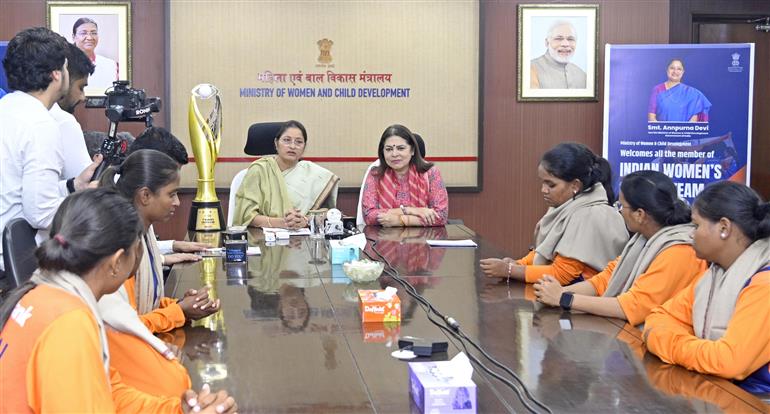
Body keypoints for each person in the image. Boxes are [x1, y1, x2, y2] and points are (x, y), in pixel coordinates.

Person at [0, 189, 236, 413]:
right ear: (116, 262)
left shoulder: (43, 295)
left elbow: (108, 392)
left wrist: (176, 410)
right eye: (137, 250)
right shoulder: (70, 324)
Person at [532, 171, 707, 325]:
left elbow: (632, 306)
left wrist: (564, 298)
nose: (620, 211)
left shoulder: (680, 251)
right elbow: (606, 279)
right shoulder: (642, 239)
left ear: (640, 214)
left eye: (622, 206)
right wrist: (557, 293)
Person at [644, 181, 770, 393]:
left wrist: (665, 342)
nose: (691, 234)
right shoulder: (715, 274)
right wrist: (678, 341)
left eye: (696, 225)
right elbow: (660, 316)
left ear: (724, 228)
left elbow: (728, 362)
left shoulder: (763, 283)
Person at [0, 27, 101, 271]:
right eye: (66, 67)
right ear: (57, 74)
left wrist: (72, 186)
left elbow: (18, 189)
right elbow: (41, 213)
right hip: (21, 262)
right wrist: (88, 207)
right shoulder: (41, 124)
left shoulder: (7, 109)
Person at [99, 149, 220, 335]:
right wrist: (178, 312)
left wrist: (179, 306)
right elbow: (127, 326)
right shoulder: (121, 246)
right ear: (145, 196)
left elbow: (148, 304)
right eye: (171, 195)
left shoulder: (145, 234)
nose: (178, 202)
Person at [480, 142, 628, 284]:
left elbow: (562, 275)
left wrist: (510, 271)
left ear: (575, 185)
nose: (543, 190)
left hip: (584, 301)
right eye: (542, 182)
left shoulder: (588, 215)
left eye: (551, 184)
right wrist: (518, 264)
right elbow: (545, 252)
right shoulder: (567, 204)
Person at [233, 120, 340, 229]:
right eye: (286, 140)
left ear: (304, 147)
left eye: (298, 142)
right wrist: (283, 223)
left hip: (302, 238)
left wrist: (306, 221)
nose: (292, 146)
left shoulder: (315, 174)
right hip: (261, 237)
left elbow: (329, 213)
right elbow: (245, 215)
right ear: (276, 143)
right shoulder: (259, 170)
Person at [126, 126, 209, 258]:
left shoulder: (139, 203)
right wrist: (163, 260)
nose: (177, 202)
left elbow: (142, 246)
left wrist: (172, 246)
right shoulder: (117, 212)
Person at [361, 124, 449, 227]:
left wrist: (402, 220)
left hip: (423, 239)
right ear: (382, 152)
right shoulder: (375, 175)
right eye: (389, 149)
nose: (394, 154)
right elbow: (369, 216)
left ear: (412, 150)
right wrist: (411, 211)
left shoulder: (430, 173)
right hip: (384, 238)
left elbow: (441, 216)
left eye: (401, 148)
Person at [50, 43, 95, 179]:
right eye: (81, 88)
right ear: (64, 78)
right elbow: (84, 186)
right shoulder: (64, 121)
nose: (83, 97)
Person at [530, 20, 586, 89]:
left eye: (570, 39)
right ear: (547, 43)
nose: (565, 44)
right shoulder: (531, 69)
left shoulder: (581, 75)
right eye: (559, 39)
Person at [72, 17, 118, 91]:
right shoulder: (65, 63)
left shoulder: (111, 65)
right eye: (83, 33)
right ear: (74, 37)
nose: (89, 37)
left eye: (93, 33)